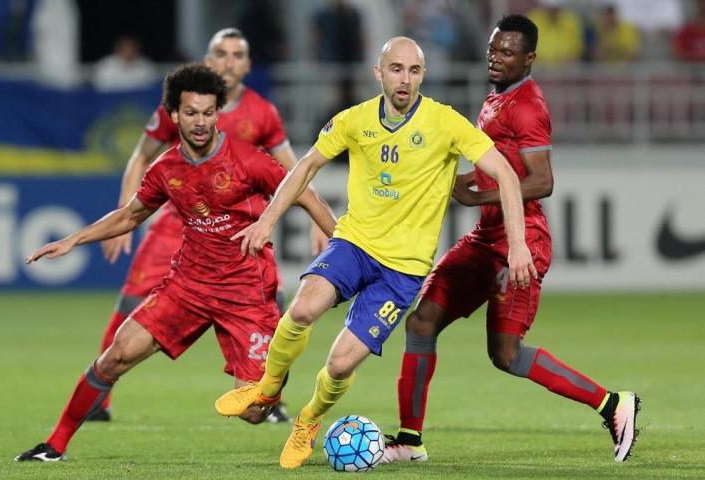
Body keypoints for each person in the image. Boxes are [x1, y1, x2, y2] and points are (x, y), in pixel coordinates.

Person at [215, 36, 537, 469]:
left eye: (414, 71)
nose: (405, 79)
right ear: (379, 73)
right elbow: (306, 164)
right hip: (355, 243)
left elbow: (507, 176)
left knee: (341, 362)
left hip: (402, 271)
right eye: (397, 69)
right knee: (304, 307)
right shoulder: (354, 120)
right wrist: (267, 221)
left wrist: (518, 244)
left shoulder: (446, 123)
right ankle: (268, 389)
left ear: (423, 76)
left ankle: (308, 420)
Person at [14, 63, 337, 462]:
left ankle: (275, 369)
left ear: (218, 113)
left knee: (255, 412)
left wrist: (340, 251)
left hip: (246, 292)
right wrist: (73, 239)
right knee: (116, 354)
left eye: (208, 112)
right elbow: (130, 215)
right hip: (188, 286)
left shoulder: (248, 160)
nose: (200, 122)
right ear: (174, 116)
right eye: (191, 113)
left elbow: (305, 194)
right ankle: (54, 446)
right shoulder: (166, 169)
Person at [379, 15, 641, 465]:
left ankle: (614, 405)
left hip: (521, 241)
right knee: (421, 322)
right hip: (485, 237)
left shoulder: (528, 105)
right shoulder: (497, 98)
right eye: (493, 49)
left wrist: (479, 192)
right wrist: (459, 182)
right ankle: (408, 441)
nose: (495, 58)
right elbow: (497, 167)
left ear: (530, 58)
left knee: (505, 353)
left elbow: (541, 181)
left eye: (507, 52)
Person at [92, 28, 328, 423]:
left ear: (248, 65)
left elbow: (292, 170)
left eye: (237, 55)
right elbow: (140, 156)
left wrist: (316, 220)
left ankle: (265, 391)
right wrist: (126, 215)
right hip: (174, 224)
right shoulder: (185, 102)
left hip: (236, 234)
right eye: (220, 53)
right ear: (207, 59)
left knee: (277, 299)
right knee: (132, 305)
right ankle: (101, 399)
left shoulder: (262, 112)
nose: (228, 62)